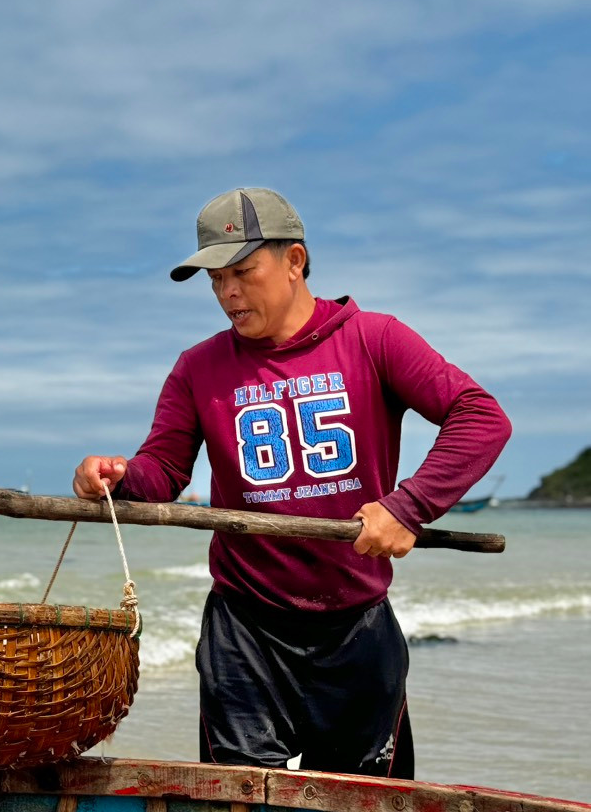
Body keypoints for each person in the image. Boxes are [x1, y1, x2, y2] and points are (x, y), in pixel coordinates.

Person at [73, 188, 511, 778]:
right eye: (214, 280)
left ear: (295, 262)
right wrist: (118, 478)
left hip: (355, 623)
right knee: (235, 811)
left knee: (363, 807)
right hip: (243, 629)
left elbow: (481, 417)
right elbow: (165, 472)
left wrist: (408, 507)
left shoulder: (374, 339)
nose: (227, 293)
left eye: (243, 272)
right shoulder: (197, 368)